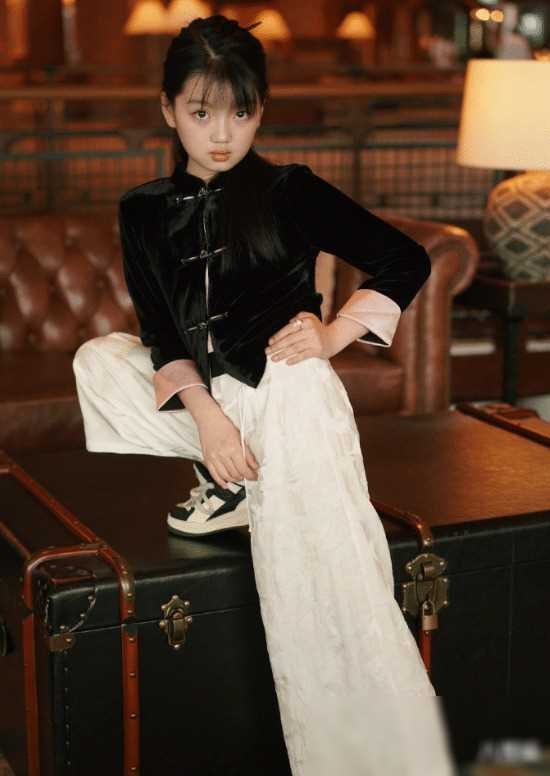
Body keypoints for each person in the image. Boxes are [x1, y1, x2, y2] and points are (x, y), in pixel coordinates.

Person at [73, 15, 457, 776]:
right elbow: (160, 332)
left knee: (316, 594)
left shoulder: (289, 191)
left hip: (288, 393)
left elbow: (403, 258)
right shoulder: (142, 211)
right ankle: (239, 481)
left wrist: (334, 334)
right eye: (201, 112)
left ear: (260, 111)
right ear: (167, 110)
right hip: (214, 404)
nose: (222, 135)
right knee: (98, 361)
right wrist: (210, 421)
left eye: (241, 113)